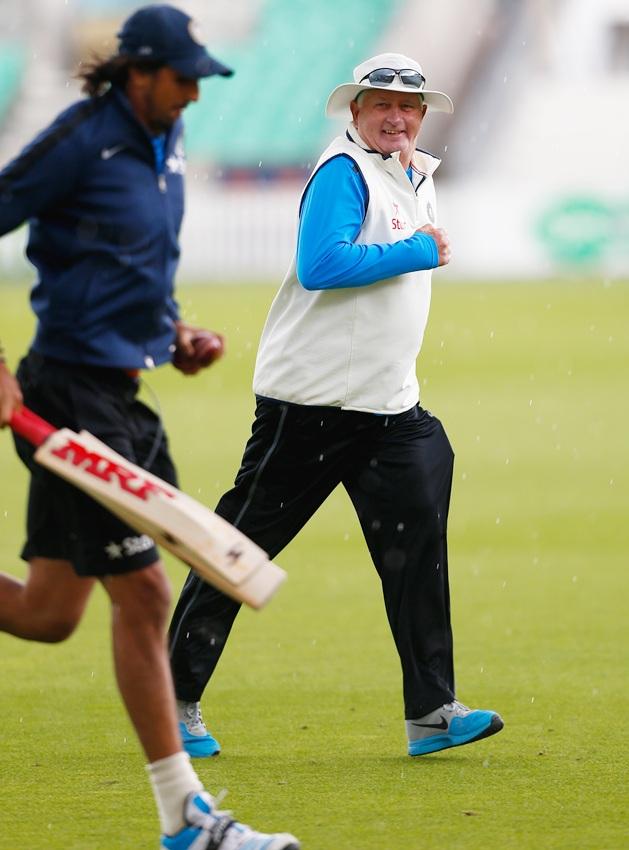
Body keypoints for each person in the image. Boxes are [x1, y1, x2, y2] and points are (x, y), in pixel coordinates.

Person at [0, 5, 299, 849]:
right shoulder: (78, 139)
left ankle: (186, 820)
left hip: (123, 400)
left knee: (50, 614)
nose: (194, 94)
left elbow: (125, 261)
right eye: (182, 79)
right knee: (145, 591)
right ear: (137, 71)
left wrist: (172, 332)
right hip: (64, 398)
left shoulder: (162, 145)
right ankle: (187, 819)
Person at [169, 52, 504, 760]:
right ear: (353, 111)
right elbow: (322, 265)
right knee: (241, 550)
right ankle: (172, 698)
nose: (394, 116)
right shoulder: (342, 171)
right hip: (310, 403)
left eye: (407, 107)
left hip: (388, 407)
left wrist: (414, 238)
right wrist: (416, 248)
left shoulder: (408, 171)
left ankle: (432, 712)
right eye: (380, 103)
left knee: (416, 550)